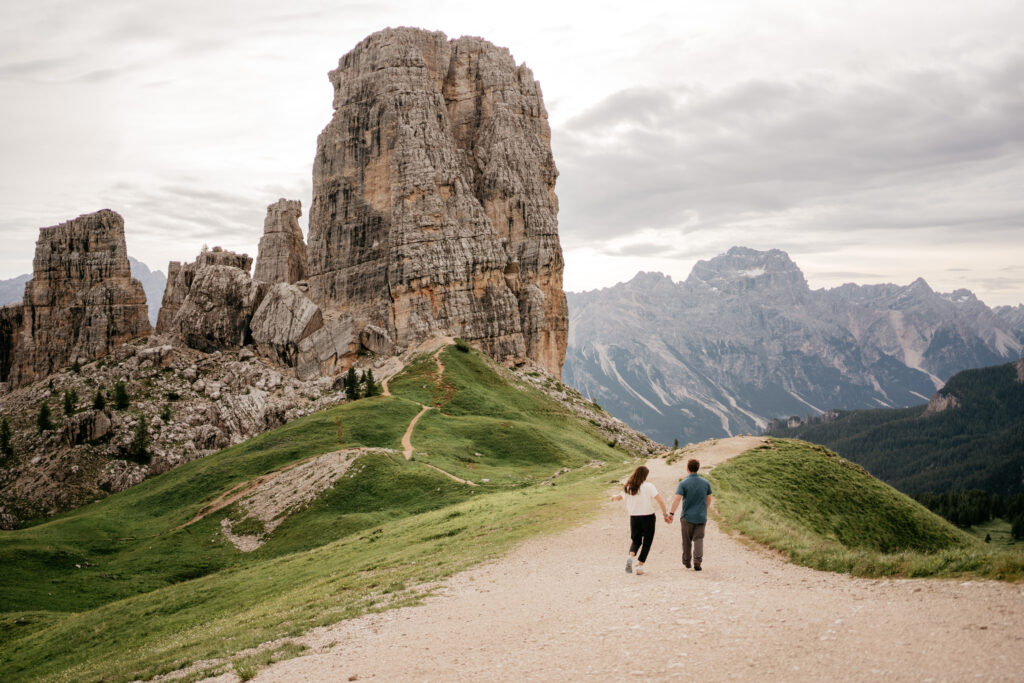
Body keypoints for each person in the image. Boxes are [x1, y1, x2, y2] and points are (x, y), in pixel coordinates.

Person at [610, 465, 670, 575]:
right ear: (645, 476)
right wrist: (665, 515)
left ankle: (630, 558)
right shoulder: (649, 486)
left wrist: (613, 497)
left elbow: (619, 497)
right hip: (648, 517)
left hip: (634, 518)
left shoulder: (629, 487)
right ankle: (639, 566)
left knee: (636, 541)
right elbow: (660, 501)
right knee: (647, 542)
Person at [667, 458, 713, 571]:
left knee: (686, 540)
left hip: (687, 517)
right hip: (701, 517)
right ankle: (697, 562)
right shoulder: (706, 483)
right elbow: (709, 498)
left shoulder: (683, 483)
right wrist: (704, 510)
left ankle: (687, 562)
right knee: (699, 539)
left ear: (687, 468)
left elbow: (677, 499)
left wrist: (671, 513)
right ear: (698, 468)